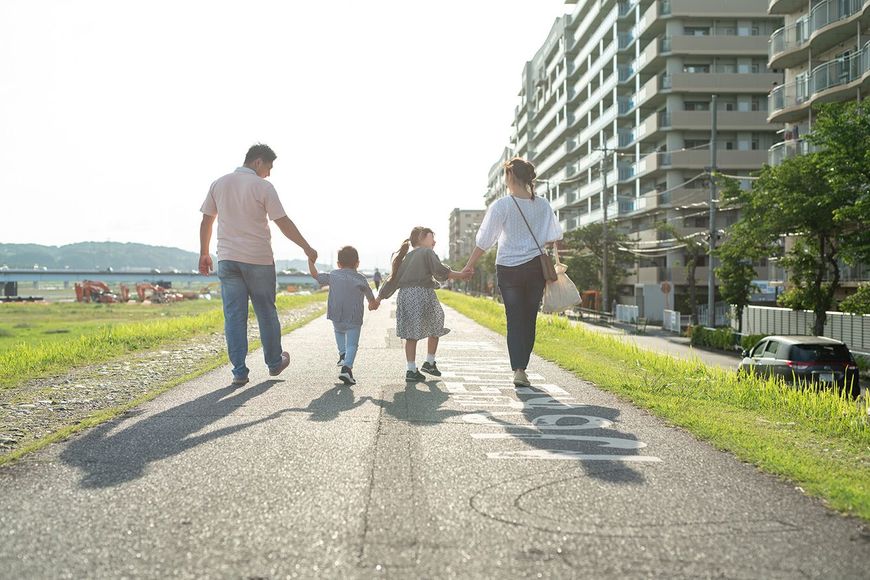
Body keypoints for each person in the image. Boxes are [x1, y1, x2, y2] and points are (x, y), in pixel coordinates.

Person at [199, 143, 318, 386]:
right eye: (269, 167)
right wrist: (306, 247)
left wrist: (204, 253)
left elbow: (207, 220)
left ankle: (239, 371)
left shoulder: (219, 183)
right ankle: (274, 362)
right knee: (265, 311)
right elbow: (282, 222)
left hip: (228, 259)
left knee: (234, 315)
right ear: (258, 162)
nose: (269, 173)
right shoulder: (263, 186)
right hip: (258, 260)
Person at [462, 157, 562, 387]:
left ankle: (518, 369)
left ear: (510, 177)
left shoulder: (502, 205)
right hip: (536, 267)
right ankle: (522, 367)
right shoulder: (544, 205)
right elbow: (552, 236)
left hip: (509, 269)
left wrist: (470, 264)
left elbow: (485, 240)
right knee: (529, 318)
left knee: (514, 318)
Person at [375, 226, 471, 382]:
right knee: (436, 323)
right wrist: (460, 275)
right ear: (421, 237)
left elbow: (392, 280)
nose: (434, 241)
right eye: (431, 237)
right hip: (422, 294)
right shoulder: (427, 253)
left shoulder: (404, 257)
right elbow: (439, 271)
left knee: (410, 333)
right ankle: (430, 361)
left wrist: (379, 298)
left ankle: (411, 369)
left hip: (405, 296)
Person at [308, 246, 378, 385]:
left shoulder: (333, 275)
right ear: (357, 263)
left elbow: (316, 275)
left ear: (338, 264)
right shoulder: (360, 278)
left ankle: (342, 354)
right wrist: (372, 304)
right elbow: (370, 296)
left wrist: (310, 261)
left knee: (339, 332)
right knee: (352, 344)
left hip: (336, 316)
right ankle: (347, 368)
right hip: (354, 317)